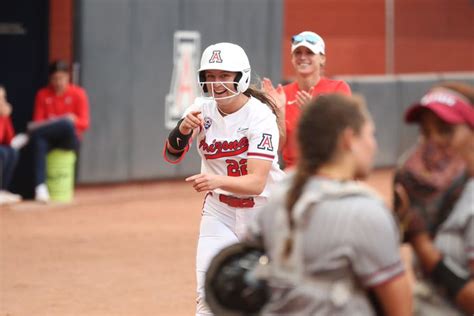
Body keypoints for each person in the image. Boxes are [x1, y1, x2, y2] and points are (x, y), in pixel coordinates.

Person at [241, 94, 412, 315]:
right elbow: (400, 309)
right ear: (349, 139)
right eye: (370, 134)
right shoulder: (365, 211)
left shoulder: (277, 197)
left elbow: (241, 272)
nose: (374, 144)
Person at [163, 42, 285, 316]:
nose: (216, 83)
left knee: (269, 297)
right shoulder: (201, 109)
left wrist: (216, 181)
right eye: (210, 76)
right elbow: (172, 155)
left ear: (240, 76)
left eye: (224, 76)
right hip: (220, 211)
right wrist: (183, 128)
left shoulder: (260, 116)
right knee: (207, 295)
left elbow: (256, 182)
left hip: (264, 212)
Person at [394, 83, 474, 315]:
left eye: (445, 129)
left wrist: (421, 244)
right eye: (425, 132)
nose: (433, 141)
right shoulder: (447, 194)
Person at [262, 31, 352, 169]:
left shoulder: (338, 88)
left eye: (309, 52)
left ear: (322, 58)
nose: (303, 57)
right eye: (298, 53)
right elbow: (277, 146)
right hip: (294, 173)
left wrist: (313, 114)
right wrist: (278, 112)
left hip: (329, 169)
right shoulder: (282, 94)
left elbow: (345, 137)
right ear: (292, 58)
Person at [29, 60, 90, 202]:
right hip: (48, 140)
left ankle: (27, 137)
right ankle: (40, 188)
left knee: (67, 124)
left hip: (69, 140)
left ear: (68, 77)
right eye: (55, 78)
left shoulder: (79, 93)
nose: (59, 82)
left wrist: (72, 120)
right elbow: (38, 123)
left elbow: (85, 124)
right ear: (50, 79)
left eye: (62, 78)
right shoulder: (42, 94)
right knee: (39, 140)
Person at [0, 85, 22, 204]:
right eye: (0, 98)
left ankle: (2, 190)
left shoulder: (2, 114)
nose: (3, 102)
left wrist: (5, 117)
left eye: (4, 98)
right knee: (2, 152)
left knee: (12, 151)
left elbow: (9, 139)